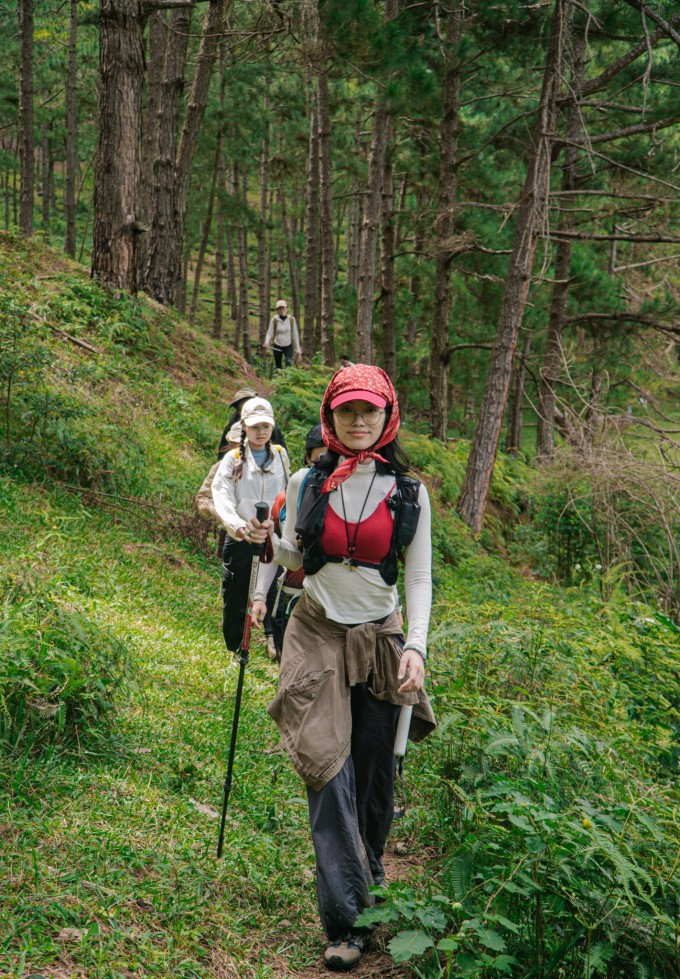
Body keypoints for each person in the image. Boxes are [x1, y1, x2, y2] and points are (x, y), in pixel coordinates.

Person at [246, 365, 435, 972]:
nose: (358, 422)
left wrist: (417, 647)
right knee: (327, 771)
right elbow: (298, 558)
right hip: (316, 635)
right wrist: (267, 541)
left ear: (387, 418)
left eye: (369, 412)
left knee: (376, 782)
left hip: (381, 642)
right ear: (331, 417)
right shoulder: (306, 481)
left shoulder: (409, 492)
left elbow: (420, 578)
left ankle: (370, 878)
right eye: (347, 412)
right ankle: (347, 923)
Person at [211, 397, 290, 654]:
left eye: (265, 426)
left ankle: (273, 642)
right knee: (235, 594)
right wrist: (238, 527)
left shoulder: (279, 455)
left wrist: (280, 527)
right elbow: (221, 494)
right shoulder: (233, 458)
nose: (261, 431)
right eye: (255, 426)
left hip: (271, 537)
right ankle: (235, 647)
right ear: (244, 426)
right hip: (241, 536)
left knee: (270, 593)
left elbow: (286, 492)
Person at [258, 424, 328, 661]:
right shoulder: (286, 498)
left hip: (328, 602)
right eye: (320, 455)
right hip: (290, 596)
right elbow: (272, 553)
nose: (327, 460)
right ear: (308, 458)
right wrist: (259, 595)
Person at [217, 387, 287, 459]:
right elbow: (222, 455)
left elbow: (282, 457)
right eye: (241, 409)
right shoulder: (232, 427)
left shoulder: (271, 427)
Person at [264, 300, 301, 369]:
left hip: (288, 345)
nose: (281, 310)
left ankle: (288, 378)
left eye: (283, 308)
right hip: (277, 345)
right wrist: (267, 342)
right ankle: (279, 379)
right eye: (279, 309)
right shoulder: (274, 320)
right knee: (278, 366)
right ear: (277, 310)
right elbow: (269, 333)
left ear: (286, 309)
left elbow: (295, 335)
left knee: (288, 362)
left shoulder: (291, 319)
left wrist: (298, 348)